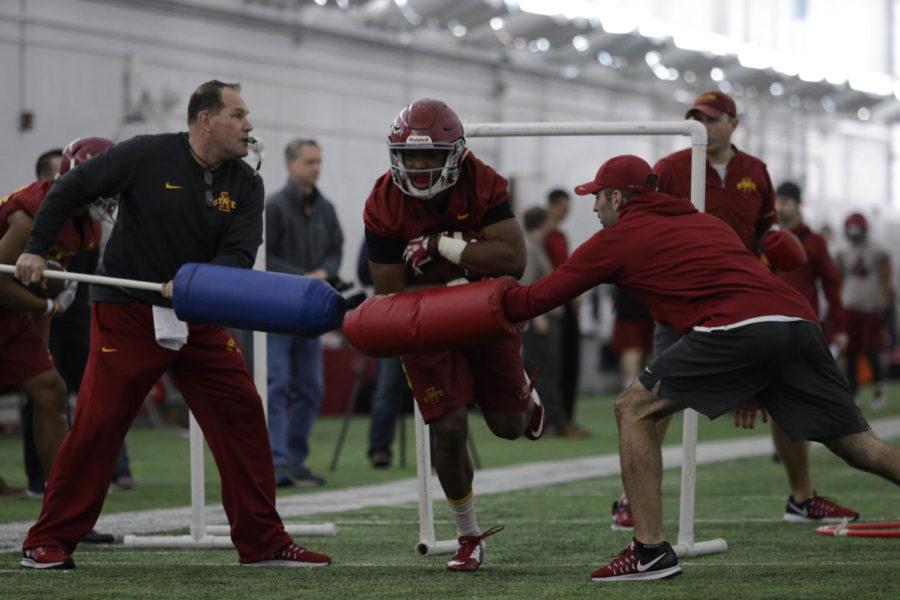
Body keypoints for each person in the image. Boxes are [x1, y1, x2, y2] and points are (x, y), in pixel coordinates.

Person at [502, 154, 900, 581]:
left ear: (617, 197)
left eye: (597, 198)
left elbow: (535, 299)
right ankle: (791, 500)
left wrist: (480, 295)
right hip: (798, 321)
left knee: (632, 408)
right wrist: (750, 384)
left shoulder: (617, 238)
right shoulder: (707, 222)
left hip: (739, 328)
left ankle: (650, 551)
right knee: (859, 444)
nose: (595, 208)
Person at [15, 80, 330, 570]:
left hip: (199, 314)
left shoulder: (247, 184)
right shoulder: (144, 155)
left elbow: (240, 254)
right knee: (99, 426)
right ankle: (47, 539)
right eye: (238, 115)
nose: (249, 125)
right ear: (206, 120)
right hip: (126, 311)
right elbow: (69, 187)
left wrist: (190, 283)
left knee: (244, 418)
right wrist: (35, 248)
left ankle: (263, 541)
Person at [609, 90, 857, 532]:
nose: (701, 126)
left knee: (787, 396)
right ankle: (631, 500)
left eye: (710, 118)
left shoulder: (755, 171)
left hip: (742, 301)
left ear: (733, 123)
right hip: (684, 299)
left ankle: (802, 497)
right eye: (695, 118)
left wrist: (775, 251)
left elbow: (764, 232)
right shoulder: (669, 169)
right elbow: (645, 222)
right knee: (653, 401)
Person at [364, 98, 543, 572]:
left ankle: (529, 396)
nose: (419, 167)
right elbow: (390, 289)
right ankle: (468, 535)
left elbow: (513, 260)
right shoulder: (383, 202)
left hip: (482, 313)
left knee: (509, 426)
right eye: (410, 157)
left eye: (429, 156)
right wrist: (467, 260)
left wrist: (442, 245)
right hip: (425, 319)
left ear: (457, 154)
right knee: (448, 426)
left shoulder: (481, 180)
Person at [0, 139, 116, 543]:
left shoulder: (85, 224)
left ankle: (62, 512)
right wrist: (48, 310)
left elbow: (38, 288)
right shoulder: (32, 213)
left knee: (50, 390)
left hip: (13, 314)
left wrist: (42, 338)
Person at [265, 138, 343, 487]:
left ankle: (295, 461)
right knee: (277, 383)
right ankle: (277, 461)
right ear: (290, 164)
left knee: (311, 386)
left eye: (318, 161)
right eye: (309, 161)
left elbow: (336, 248)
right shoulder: (274, 207)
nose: (316, 167)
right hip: (278, 310)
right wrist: (304, 277)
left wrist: (324, 272)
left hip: (310, 312)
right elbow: (263, 257)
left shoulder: (325, 208)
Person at [544, 189, 590, 438]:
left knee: (570, 362)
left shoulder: (561, 236)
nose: (566, 212)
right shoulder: (544, 236)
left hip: (567, 303)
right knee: (555, 365)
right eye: (563, 206)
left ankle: (566, 418)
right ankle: (557, 420)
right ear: (552, 206)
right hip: (552, 305)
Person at [836, 212, 892, 409]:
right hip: (850, 307)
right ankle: (854, 391)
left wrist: (886, 304)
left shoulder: (878, 250)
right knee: (850, 353)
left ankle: (878, 386)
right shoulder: (842, 252)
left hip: (871, 307)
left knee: (872, 351)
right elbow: (838, 279)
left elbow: (886, 278)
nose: (854, 235)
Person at [519, 207, 566, 436]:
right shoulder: (530, 247)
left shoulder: (535, 246)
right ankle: (543, 423)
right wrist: (537, 317)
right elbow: (527, 286)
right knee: (542, 372)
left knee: (547, 371)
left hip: (544, 319)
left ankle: (551, 421)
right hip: (541, 321)